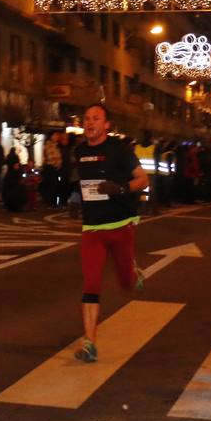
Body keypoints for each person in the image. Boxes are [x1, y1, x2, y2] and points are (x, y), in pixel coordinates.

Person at [71, 104, 149, 364]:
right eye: (87, 118)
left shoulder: (120, 151)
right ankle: (90, 342)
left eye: (96, 118)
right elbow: (81, 182)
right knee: (91, 284)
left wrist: (120, 188)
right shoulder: (80, 151)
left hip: (120, 225)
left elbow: (143, 179)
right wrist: (74, 197)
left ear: (107, 125)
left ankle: (133, 270)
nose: (90, 122)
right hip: (92, 228)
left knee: (127, 284)